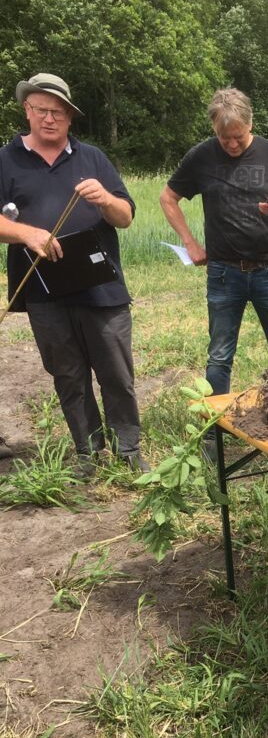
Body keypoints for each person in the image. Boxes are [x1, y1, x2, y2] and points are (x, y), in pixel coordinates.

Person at [0, 73, 146, 477]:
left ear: (70, 117)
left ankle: (128, 448)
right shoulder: (5, 160)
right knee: (68, 375)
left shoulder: (92, 158)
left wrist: (106, 200)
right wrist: (28, 233)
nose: (50, 119)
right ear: (27, 110)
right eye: (42, 110)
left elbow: (127, 217)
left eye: (59, 113)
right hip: (44, 291)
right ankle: (87, 450)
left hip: (102, 288)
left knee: (116, 371)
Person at [160, 87, 268, 397]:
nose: (233, 144)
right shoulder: (201, 156)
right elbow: (168, 198)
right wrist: (190, 243)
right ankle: (214, 438)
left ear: (250, 124)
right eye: (225, 138)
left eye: (238, 136)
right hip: (224, 274)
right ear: (214, 129)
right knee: (220, 357)